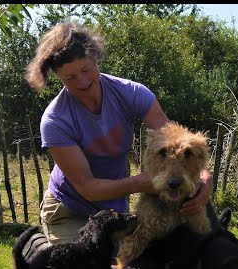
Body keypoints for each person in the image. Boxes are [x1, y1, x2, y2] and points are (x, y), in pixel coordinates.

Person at [25, 21, 213, 246]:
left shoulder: (130, 93)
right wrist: (142, 183)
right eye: (70, 78)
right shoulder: (55, 120)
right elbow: (88, 188)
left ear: (96, 57)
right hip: (69, 209)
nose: (83, 82)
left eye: (86, 70)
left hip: (114, 211)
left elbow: (174, 138)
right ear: (57, 77)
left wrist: (203, 176)